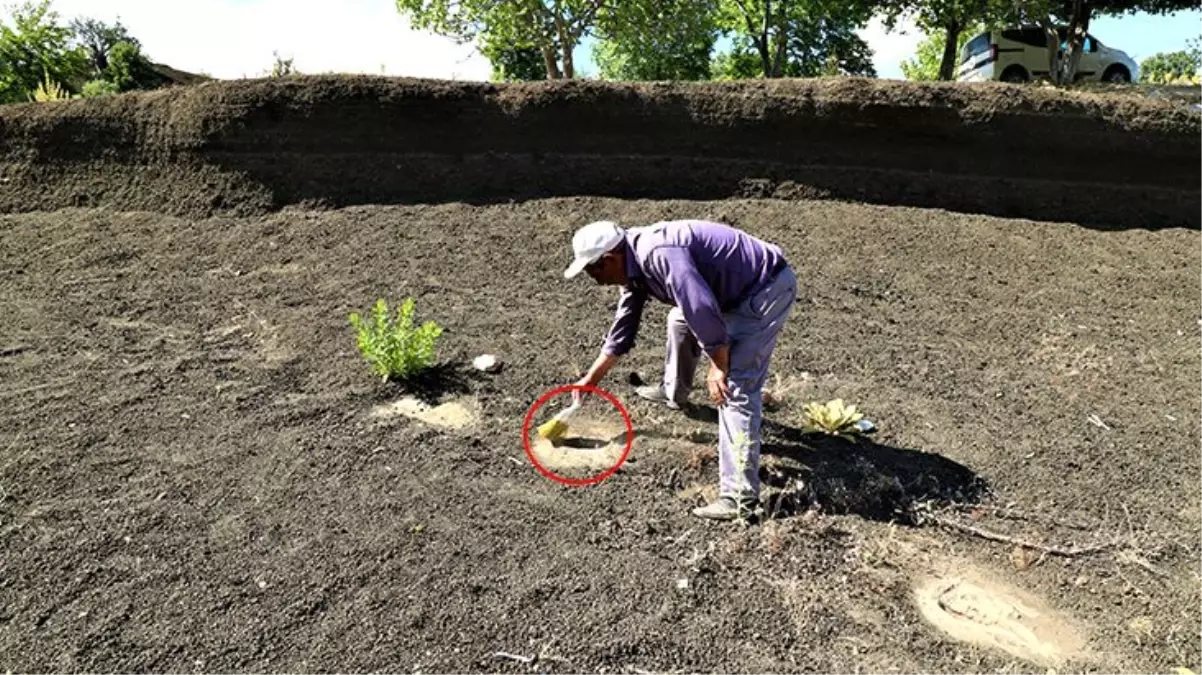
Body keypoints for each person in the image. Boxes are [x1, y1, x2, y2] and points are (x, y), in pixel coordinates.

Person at [563, 219, 797, 521]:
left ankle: (739, 498)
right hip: (728, 291)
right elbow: (624, 326)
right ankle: (675, 392)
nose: (593, 279)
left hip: (763, 290)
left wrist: (718, 365)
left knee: (734, 389)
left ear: (610, 259)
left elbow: (700, 308)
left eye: (592, 270)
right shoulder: (632, 260)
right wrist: (590, 380)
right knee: (678, 321)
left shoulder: (659, 254)